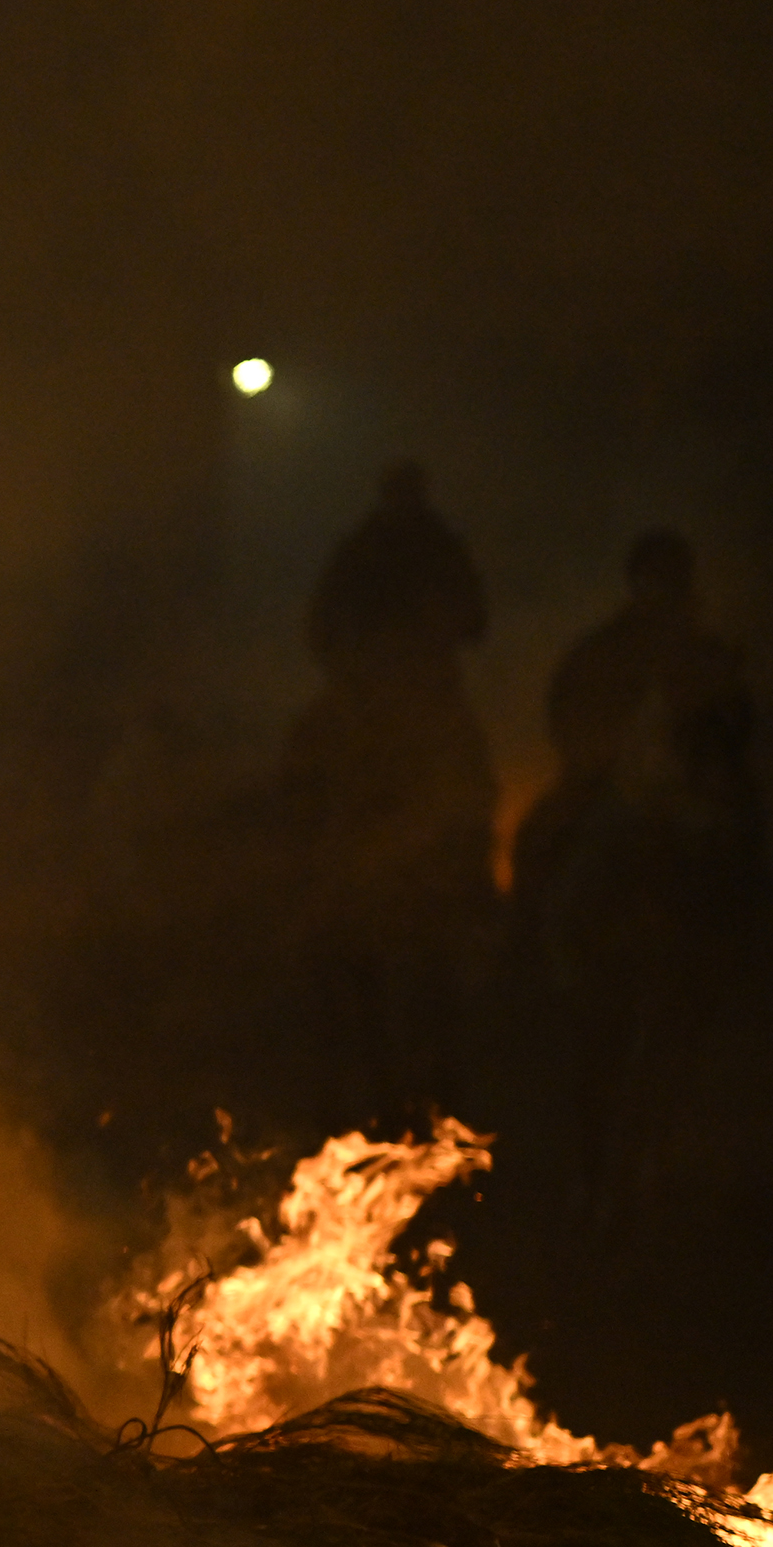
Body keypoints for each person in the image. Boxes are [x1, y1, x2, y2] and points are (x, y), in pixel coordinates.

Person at [509, 529, 764, 1231]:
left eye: (669, 578)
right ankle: (547, 958)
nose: (662, 589)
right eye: (654, 577)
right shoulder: (609, 650)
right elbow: (569, 714)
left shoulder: (706, 654)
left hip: (682, 806)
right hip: (621, 798)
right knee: (561, 859)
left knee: (738, 860)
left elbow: (734, 742)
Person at [277, 462, 500, 1128]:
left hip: (420, 689)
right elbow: (324, 629)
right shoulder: (370, 551)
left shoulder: (428, 548)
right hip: (380, 687)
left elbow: (473, 619)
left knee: (461, 781)